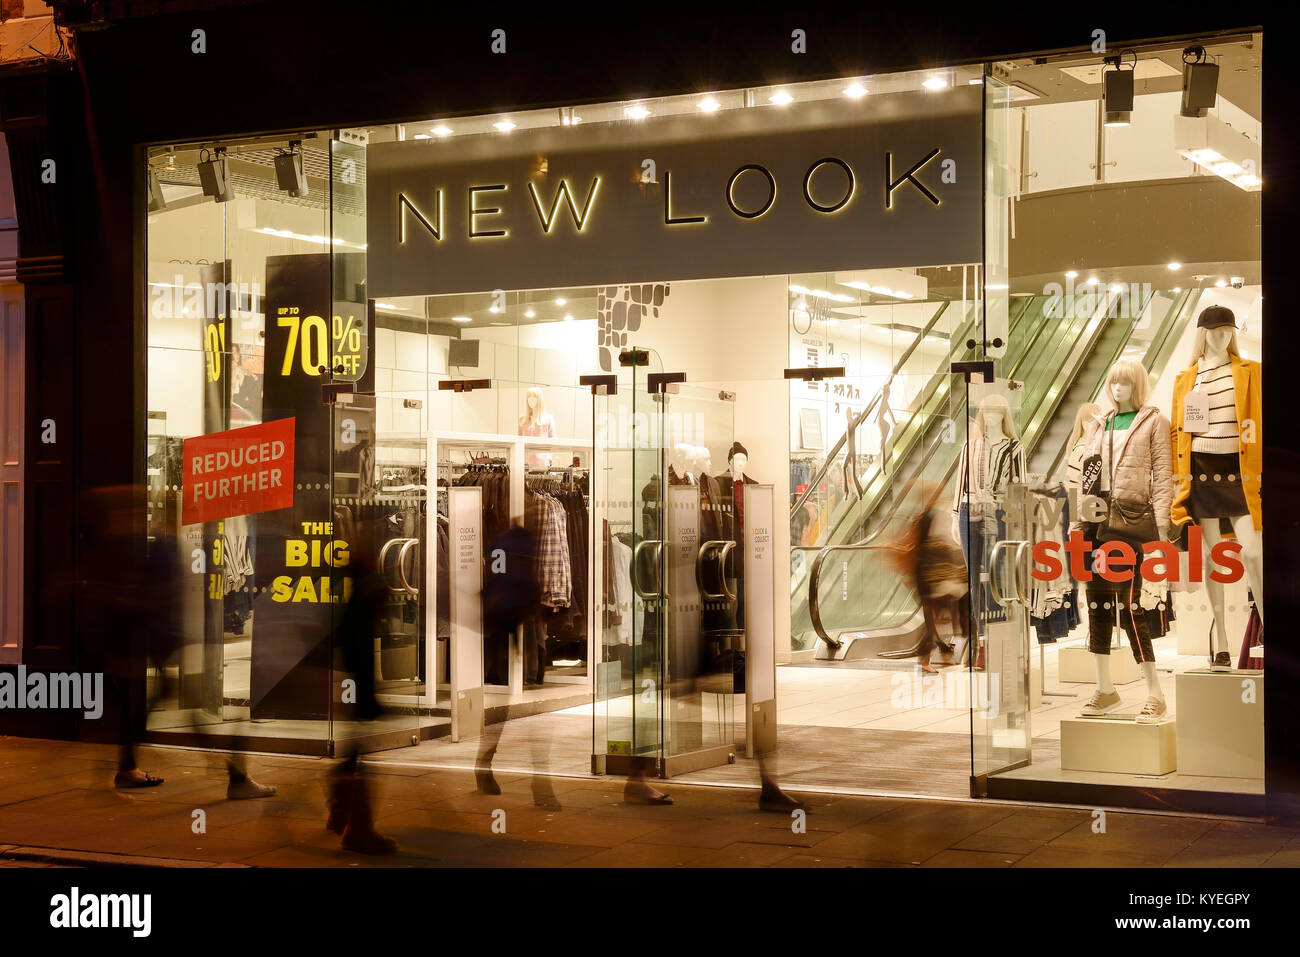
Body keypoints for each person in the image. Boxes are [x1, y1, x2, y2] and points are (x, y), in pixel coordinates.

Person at [326, 522, 398, 853]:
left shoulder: (353, 581)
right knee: (360, 749)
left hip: (353, 675)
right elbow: (357, 633)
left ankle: (343, 812)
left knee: (357, 748)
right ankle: (357, 827)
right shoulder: (363, 583)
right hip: (357, 676)